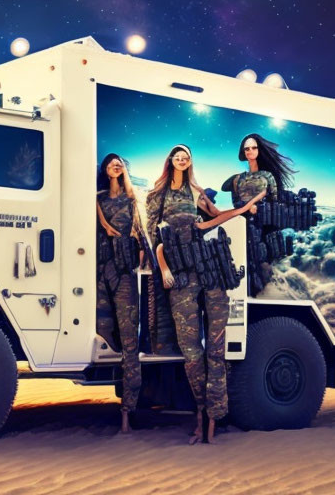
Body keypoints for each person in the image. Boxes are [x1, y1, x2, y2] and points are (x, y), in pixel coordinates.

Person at [145, 144, 265, 444]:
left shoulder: (196, 190)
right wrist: (160, 266)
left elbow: (216, 215)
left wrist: (242, 210)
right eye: (177, 155)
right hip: (179, 273)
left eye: (186, 156)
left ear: (190, 162)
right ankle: (201, 413)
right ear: (170, 159)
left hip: (208, 270)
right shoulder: (158, 194)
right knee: (190, 352)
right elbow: (152, 234)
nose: (182, 159)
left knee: (216, 349)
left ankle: (214, 417)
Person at [95, 153, 144, 434]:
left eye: (120, 163)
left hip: (125, 274)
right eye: (111, 163)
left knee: (129, 343)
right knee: (104, 332)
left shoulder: (132, 199)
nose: (116, 165)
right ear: (105, 170)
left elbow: (140, 233)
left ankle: (128, 410)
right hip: (102, 272)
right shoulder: (98, 198)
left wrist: (137, 259)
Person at [223, 133, 297, 207]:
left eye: (254, 148)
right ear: (244, 152)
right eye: (247, 149)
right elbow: (233, 199)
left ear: (259, 149)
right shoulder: (237, 178)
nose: (250, 151)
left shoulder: (268, 175)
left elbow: (275, 199)